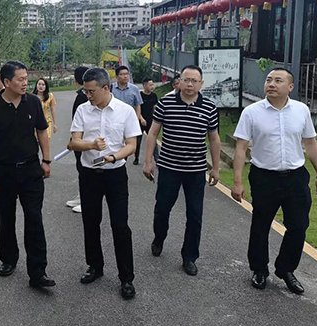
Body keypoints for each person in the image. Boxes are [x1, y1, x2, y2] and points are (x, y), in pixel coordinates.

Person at [231, 67, 317, 294]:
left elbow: (310, 143)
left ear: (290, 87)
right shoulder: (252, 112)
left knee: (299, 226)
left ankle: (286, 269)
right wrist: (237, 182)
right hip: (264, 177)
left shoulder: (301, 110)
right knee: (261, 225)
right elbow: (241, 147)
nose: (271, 84)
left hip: (296, 177)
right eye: (268, 80)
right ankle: (259, 269)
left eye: (278, 81)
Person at [0, 61, 55, 289]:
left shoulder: (33, 102)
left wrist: (46, 160)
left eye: (26, 79)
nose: (25, 83)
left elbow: (42, 131)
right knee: (6, 218)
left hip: (31, 169)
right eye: (20, 79)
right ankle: (8, 259)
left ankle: (38, 271)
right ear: (7, 82)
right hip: (3, 170)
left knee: (34, 219)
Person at [68, 67, 141, 300]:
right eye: (86, 91)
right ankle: (95, 266)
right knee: (91, 223)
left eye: (92, 91)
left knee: (120, 226)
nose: (88, 95)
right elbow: (73, 142)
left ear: (106, 88)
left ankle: (126, 278)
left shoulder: (125, 111)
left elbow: (131, 145)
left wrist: (113, 157)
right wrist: (90, 145)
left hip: (115, 174)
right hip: (89, 175)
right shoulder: (83, 110)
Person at [142, 65, 220, 277]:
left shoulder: (209, 107)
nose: (190, 84)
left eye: (194, 81)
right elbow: (153, 133)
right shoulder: (165, 103)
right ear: (179, 82)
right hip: (169, 167)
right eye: (186, 80)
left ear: (201, 84)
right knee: (162, 209)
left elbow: (214, 138)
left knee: (195, 215)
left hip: (196, 170)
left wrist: (215, 168)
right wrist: (148, 162)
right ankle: (159, 238)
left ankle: (189, 256)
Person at [66, 65, 89, 213]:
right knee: (81, 168)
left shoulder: (83, 96)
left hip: (84, 140)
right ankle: (81, 196)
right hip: (78, 137)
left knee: (85, 169)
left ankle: (86, 200)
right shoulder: (81, 95)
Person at [111, 65, 145, 162]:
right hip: (114, 120)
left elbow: (138, 105)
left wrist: (137, 118)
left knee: (130, 143)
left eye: (127, 74)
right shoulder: (111, 88)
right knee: (116, 143)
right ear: (117, 76)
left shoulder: (134, 89)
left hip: (128, 121)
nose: (125, 76)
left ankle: (122, 160)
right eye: (122, 74)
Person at [134, 78, 159, 166]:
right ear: (144, 85)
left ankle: (157, 159)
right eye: (150, 85)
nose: (152, 86)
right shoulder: (140, 95)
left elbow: (155, 108)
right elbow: (137, 109)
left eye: (153, 84)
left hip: (150, 121)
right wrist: (141, 118)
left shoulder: (154, 96)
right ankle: (136, 158)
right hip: (140, 122)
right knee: (138, 142)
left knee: (153, 141)